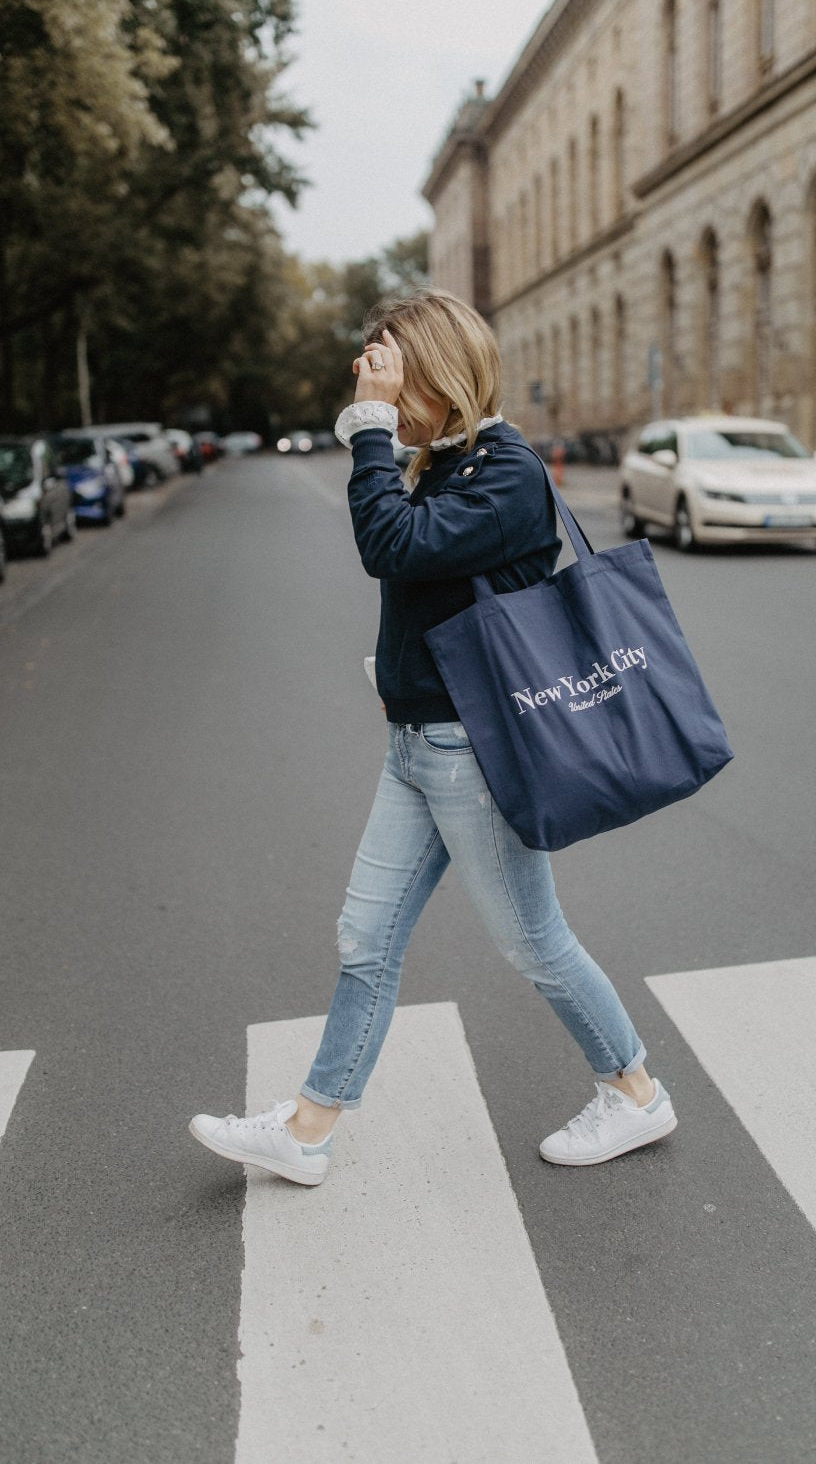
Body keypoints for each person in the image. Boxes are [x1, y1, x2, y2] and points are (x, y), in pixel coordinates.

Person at [189, 290, 677, 1186]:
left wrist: (373, 425)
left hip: (473, 753)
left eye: (396, 377)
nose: (384, 402)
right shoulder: (446, 463)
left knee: (534, 942)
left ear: (442, 377)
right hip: (416, 746)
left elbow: (390, 547)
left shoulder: (508, 472)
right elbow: (423, 581)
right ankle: (307, 1129)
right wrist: (396, 672)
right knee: (363, 938)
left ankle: (636, 1092)